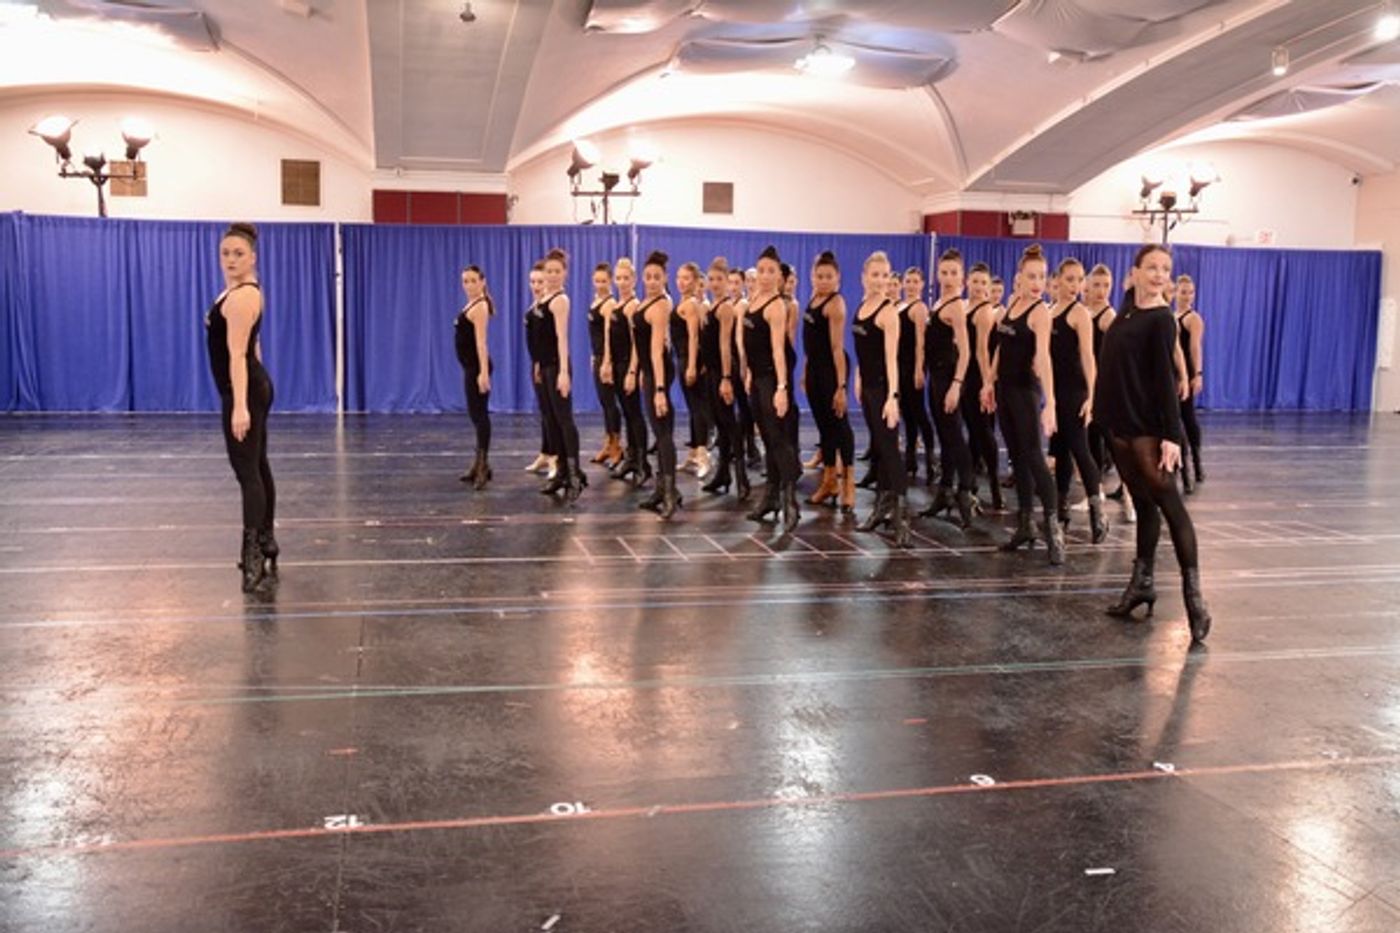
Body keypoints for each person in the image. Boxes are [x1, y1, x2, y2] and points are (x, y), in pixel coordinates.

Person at [1096, 244, 1210, 643]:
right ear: (1136, 272)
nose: (1160, 275)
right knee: (1143, 505)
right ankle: (1141, 584)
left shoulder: (1163, 320)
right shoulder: (1126, 308)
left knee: (1170, 506)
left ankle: (1194, 599)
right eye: (1152, 268)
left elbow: (1165, 381)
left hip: (1148, 429)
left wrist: (1172, 436)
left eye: (1166, 269)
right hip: (1119, 425)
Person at [980, 244, 1064, 565]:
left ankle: (1053, 530)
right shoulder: (1012, 303)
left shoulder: (1041, 312)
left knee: (1034, 458)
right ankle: (1026, 525)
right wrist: (989, 381)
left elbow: (1044, 358)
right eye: (1031, 276)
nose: (1037, 282)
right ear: (1019, 277)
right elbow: (1000, 347)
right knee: (1016, 458)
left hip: (1026, 394)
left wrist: (1050, 402)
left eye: (1042, 277)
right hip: (1004, 391)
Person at [206, 222, 277, 593]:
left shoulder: (241, 297)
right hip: (252, 385)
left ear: (252, 257)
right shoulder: (241, 293)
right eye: (225, 253)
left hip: (243, 390)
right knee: (257, 466)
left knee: (247, 472)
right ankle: (266, 542)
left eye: (238, 254)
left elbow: (237, 354)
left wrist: (240, 406)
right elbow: (254, 345)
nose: (230, 259)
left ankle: (253, 559)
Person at [1047, 258, 1108, 543]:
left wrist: (1093, 397)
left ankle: (1098, 509)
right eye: (1069, 279)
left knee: (1080, 449)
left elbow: (1088, 357)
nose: (1075, 285)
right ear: (1057, 280)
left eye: (1078, 279)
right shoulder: (1048, 311)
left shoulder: (1080, 313)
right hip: (1054, 393)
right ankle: (1061, 510)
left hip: (1075, 392)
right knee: (1059, 452)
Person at [852, 251, 910, 547]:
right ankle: (881, 510)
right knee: (880, 451)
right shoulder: (862, 306)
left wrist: (893, 397)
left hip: (885, 390)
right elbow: (863, 352)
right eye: (875, 275)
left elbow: (891, 359)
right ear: (864, 277)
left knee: (890, 452)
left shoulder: (889, 312)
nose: (880, 281)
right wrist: (858, 377)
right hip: (869, 390)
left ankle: (902, 520)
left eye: (885, 275)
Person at [741, 245, 801, 532]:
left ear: (779, 276)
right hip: (758, 379)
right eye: (761, 270)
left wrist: (781, 387)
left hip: (772, 380)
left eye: (771, 271)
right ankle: (771, 497)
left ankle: (791, 501)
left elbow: (778, 351)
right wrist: (750, 373)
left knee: (778, 439)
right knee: (767, 438)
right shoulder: (753, 300)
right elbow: (753, 346)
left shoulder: (777, 305)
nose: (765, 276)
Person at [920, 249, 977, 528]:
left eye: (954, 273)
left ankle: (965, 493)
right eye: (944, 272)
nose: (949, 278)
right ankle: (944, 492)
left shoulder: (955, 306)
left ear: (962, 276)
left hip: (949, 379)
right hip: (936, 377)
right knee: (945, 436)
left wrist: (956, 386)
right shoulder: (939, 302)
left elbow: (966, 352)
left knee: (955, 437)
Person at [801, 251, 856, 513]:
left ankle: (848, 485)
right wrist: (806, 369)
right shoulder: (813, 299)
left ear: (838, 278)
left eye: (829, 277)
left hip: (832, 370)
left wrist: (841, 386)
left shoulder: (836, 304)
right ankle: (829, 481)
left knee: (839, 426)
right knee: (825, 427)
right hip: (815, 370)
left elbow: (837, 348)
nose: (823, 281)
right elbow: (810, 343)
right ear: (813, 277)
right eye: (819, 276)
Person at [533, 248, 585, 503]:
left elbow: (562, 339)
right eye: (548, 271)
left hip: (557, 367)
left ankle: (575, 475)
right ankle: (561, 471)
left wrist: (564, 372)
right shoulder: (542, 298)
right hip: (544, 367)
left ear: (564, 273)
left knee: (564, 421)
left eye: (557, 271)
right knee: (550, 421)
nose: (552, 276)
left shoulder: (560, 301)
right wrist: (537, 365)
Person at [635, 251, 681, 518]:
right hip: (650, 371)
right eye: (649, 277)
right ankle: (661, 488)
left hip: (660, 370)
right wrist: (642, 372)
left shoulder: (662, 304)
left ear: (665, 279)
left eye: (657, 277)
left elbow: (656, 350)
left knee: (663, 433)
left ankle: (670, 493)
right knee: (658, 430)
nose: (652, 281)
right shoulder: (645, 302)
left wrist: (661, 390)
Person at [961, 262, 1004, 512]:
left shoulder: (985, 312)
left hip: (980, 376)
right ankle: (971, 485)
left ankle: (995, 485)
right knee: (974, 431)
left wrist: (987, 384)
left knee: (984, 431)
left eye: (983, 283)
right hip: (966, 374)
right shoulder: (966, 307)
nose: (978, 287)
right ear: (968, 282)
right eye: (975, 281)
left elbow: (982, 352)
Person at [603, 257, 649, 486]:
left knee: (634, 414)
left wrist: (632, 371)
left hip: (629, 364)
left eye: (626, 278)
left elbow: (636, 344)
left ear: (634, 280)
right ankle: (630, 457)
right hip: (617, 364)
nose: (621, 282)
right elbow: (609, 340)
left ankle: (642, 462)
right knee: (626, 412)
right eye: (618, 278)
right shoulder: (613, 305)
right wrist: (607, 363)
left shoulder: (633, 306)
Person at [701, 257, 745, 497]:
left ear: (728, 282)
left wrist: (726, 378)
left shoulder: (726, 308)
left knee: (729, 423)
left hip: (724, 372)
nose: (715, 283)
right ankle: (723, 473)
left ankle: (742, 477)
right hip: (713, 371)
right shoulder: (710, 307)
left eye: (720, 279)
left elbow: (726, 346)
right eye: (712, 279)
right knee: (720, 424)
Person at [454, 264, 494, 490]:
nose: (469, 285)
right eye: (465, 281)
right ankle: (478, 463)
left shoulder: (480, 307)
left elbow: (481, 343)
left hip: (477, 368)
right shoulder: (470, 304)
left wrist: (483, 373)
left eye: (473, 280)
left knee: (480, 416)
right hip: (470, 366)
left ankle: (483, 465)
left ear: (482, 282)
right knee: (475, 415)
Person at [898, 268, 938, 486]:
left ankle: (931, 458)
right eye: (908, 281)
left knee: (919, 412)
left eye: (915, 281)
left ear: (922, 285)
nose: (911, 285)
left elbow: (921, 341)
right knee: (908, 414)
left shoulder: (919, 308)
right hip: (899, 365)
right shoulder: (900, 306)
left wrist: (919, 368)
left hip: (912, 366)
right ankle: (910, 458)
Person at [674, 262, 712, 477]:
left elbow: (694, 336)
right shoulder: (685, 301)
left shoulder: (690, 305)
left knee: (698, 408)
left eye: (686, 278)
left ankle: (704, 455)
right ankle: (693, 452)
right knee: (693, 408)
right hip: (682, 357)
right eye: (679, 277)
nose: (681, 282)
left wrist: (691, 365)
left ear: (696, 281)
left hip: (689, 359)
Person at [523, 264, 557, 480]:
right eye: (533, 282)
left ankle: (555, 457)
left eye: (540, 281)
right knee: (544, 412)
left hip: (551, 365)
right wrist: (535, 363)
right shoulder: (533, 307)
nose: (536, 286)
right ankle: (545, 452)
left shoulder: (550, 307)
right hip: (538, 365)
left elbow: (554, 340)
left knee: (553, 413)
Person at [587, 263, 623, 468]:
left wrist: (607, 361)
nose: (600, 284)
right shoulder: (596, 301)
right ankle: (607, 443)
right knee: (604, 402)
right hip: (598, 356)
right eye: (597, 281)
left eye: (604, 281)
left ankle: (616, 445)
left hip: (606, 358)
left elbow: (609, 335)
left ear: (610, 282)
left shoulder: (609, 304)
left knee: (610, 403)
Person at [1175, 274, 1206, 492]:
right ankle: (1183, 466)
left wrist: (1197, 373)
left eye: (1190, 292)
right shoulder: (1171, 314)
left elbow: (1195, 348)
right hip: (1173, 373)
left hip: (1185, 373)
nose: (1187, 296)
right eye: (1183, 291)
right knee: (1176, 419)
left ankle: (1195, 462)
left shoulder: (1193, 319)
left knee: (1187, 417)